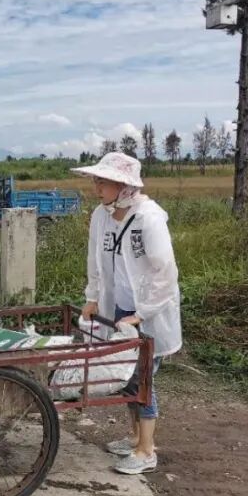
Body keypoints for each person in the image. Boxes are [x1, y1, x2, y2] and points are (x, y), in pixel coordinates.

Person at [76, 152, 181, 476]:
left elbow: (165, 273)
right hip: (118, 307)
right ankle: (135, 436)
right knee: (124, 375)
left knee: (141, 379)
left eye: (103, 181)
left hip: (147, 311)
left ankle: (146, 450)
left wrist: (143, 312)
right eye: (96, 181)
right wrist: (93, 297)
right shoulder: (102, 215)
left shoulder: (148, 218)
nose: (97, 187)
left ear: (124, 187)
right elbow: (95, 260)